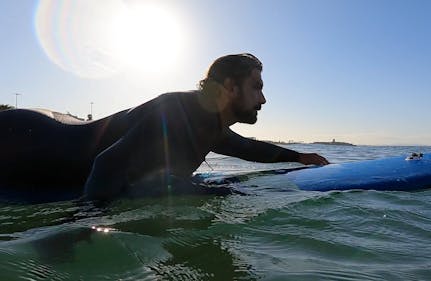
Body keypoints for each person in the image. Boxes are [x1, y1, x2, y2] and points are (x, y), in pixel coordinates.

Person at [0, 53, 328, 201]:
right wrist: (82, 225)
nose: (264, 98)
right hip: (30, 139)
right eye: (256, 86)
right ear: (230, 86)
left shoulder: (208, 123)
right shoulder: (176, 109)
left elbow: (246, 147)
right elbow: (108, 163)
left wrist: (300, 157)